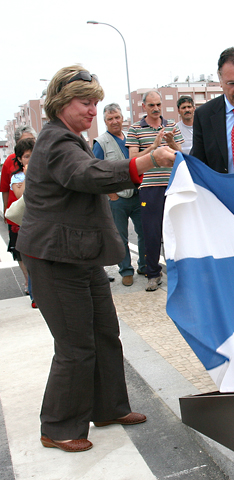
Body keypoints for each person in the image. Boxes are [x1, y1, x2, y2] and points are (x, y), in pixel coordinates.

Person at [16, 65, 178, 452]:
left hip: (79, 255)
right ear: (60, 103)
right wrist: (147, 161)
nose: (92, 110)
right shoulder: (57, 141)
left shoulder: (70, 137)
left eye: (95, 103)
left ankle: (108, 407)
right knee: (74, 345)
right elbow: (89, 176)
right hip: (55, 259)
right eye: (85, 103)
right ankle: (57, 426)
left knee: (105, 334)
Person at [126, 90, 184, 291]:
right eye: (151, 105)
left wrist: (171, 143)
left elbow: (181, 153)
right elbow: (133, 159)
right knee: (151, 232)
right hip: (149, 187)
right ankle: (153, 274)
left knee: (177, 231)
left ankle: (181, 272)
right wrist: (154, 146)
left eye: (158, 104)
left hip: (172, 185)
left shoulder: (172, 126)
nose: (156, 108)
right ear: (144, 107)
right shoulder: (135, 129)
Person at [93, 103, 146, 287]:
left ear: (122, 118)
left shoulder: (131, 137)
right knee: (120, 237)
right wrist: (111, 194)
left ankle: (144, 265)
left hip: (137, 194)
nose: (114, 121)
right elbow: (96, 172)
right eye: (110, 119)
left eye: (117, 117)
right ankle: (126, 270)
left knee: (144, 232)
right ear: (105, 121)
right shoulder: (100, 142)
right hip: (118, 198)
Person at [7, 137, 35, 296]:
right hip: (26, 224)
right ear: (19, 158)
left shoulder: (43, 170)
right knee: (30, 259)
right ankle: (34, 295)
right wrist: (27, 176)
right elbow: (20, 195)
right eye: (26, 156)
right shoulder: (17, 176)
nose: (30, 159)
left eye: (33, 155)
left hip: (43, 222)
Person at [1, 126, 36, 253]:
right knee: (19, 251)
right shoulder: (9, 162)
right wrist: (6, 209)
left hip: (37, 215)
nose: (29, 144)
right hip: (18, 212)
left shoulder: (42, 159)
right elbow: (5, 188)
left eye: (32, 140)